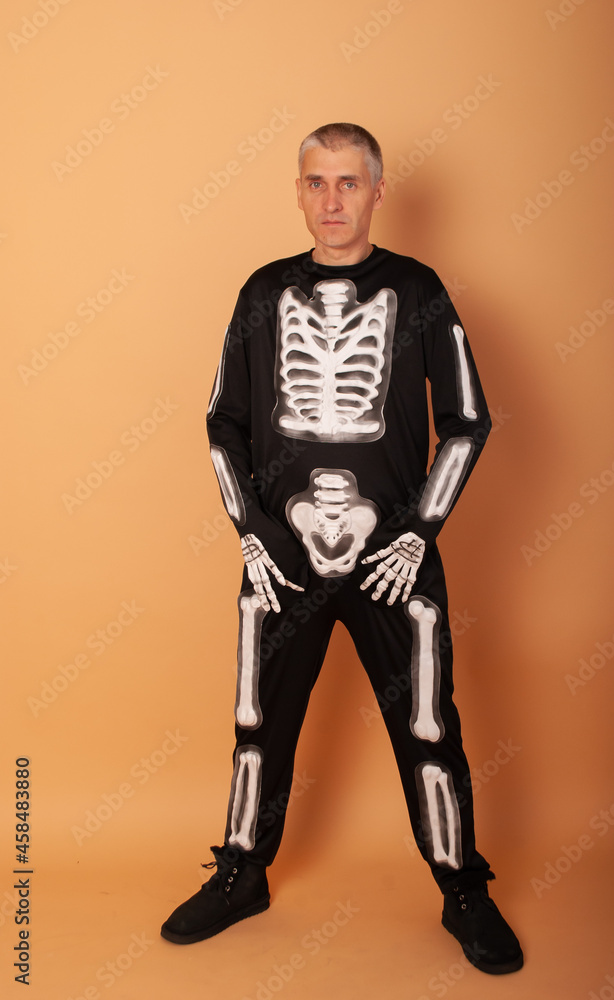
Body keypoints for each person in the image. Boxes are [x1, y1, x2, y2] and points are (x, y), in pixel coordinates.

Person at [161, 123, 523, 976]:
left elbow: (468, 421)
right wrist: (251, 533)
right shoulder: (261, 293)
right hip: (279, 558)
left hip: (391, 555)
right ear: (298, 192)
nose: (332, 201)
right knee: (259, 724)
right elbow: (224, 421)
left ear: (377, 191)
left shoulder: (420, 288)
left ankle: (462, 888)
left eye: (348, 184)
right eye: (317, 183)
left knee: (427, 725)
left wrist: (417, 533)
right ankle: (242, 872)